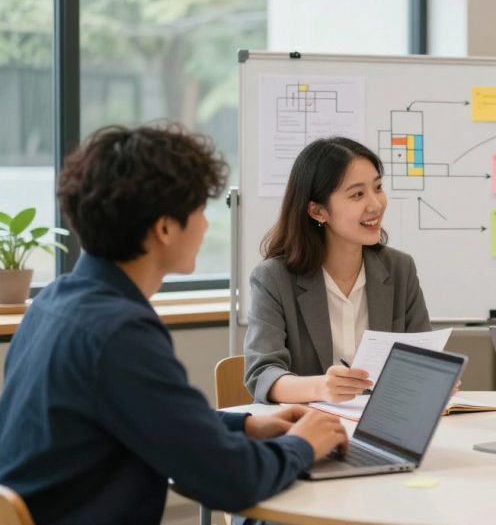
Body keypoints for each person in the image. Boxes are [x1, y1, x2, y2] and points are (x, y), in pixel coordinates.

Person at [0, 124, 348, 525]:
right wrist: (303, 445)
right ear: (165, 228)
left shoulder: (55, 302)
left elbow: (150, 416)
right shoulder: (119, 333)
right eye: (200, 210)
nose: (204, 225)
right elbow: (232, 480)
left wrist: (248, 425)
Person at [245, 137, 431, 404]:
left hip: (384, 425)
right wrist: (320, 388)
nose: (376, 204)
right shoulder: (274, 278)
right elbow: (262, 374)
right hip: (306, 428)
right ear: (318, 211)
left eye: (377, 188)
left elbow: (422, 360)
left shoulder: (400, 269)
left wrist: (434, 380)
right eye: (357, 194)